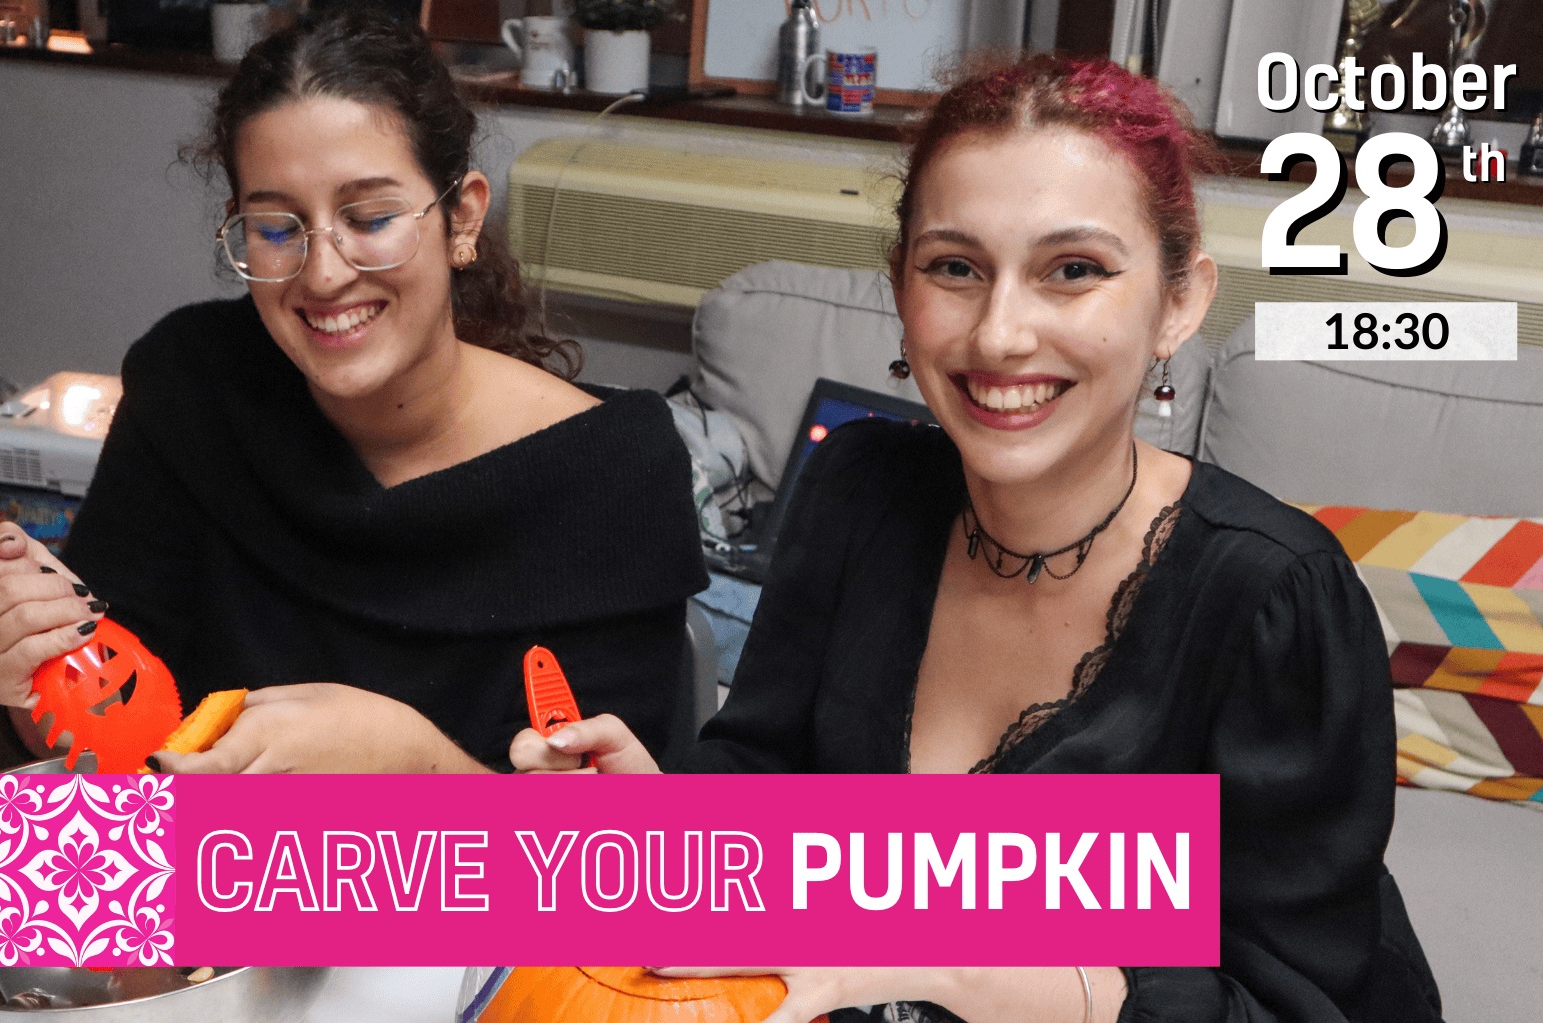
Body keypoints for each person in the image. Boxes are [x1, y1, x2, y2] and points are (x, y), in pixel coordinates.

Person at [512, 54, 1442, 1023]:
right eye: (954, 268)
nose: (999, 336)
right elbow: (771, 783)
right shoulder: (858, 490)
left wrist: (946, 962)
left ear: (1178, 301)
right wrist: (663, 828)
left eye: (1072, 271)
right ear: (899, 287)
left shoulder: (1274, 599)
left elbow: (1286, 1006)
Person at [0, 11, 707, 774]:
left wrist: (414, 766)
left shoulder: (615, 473)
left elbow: (608, 845)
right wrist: (24, 668)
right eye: (277, 228)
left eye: (370, 217)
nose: (325, 274)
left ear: (463, 218)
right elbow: (107, 740)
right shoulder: (190, 386)